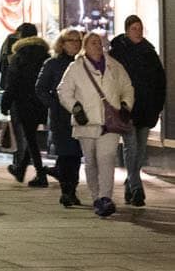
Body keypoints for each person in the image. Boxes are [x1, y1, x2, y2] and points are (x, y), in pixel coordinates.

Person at [57, 30, 135, 218]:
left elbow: (127, 87)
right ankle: (95, 196)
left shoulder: (114, 66)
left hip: (110, 124)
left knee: (107, 158)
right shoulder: (75, 68)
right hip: (86, 123)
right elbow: (64, 91)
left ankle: (105, 198)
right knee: (91, 161)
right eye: (92, 43)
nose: (97, 46)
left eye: (99, 42)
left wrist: (125, 105)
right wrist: (76, 108)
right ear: (85, 46)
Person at [109, 14, 165, 208]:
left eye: (140, 28)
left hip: (147, 108)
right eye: (134, 28)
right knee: (131, 148)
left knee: (140, 151)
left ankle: (130, 183)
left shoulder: (149, 52)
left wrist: (158, 106)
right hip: (127, 108)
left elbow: (160, 81)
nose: (138, 32)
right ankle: (136, 188)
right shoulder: (118, 52)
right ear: (127, 30)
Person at [36, 28, 85, 208]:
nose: (75, 44)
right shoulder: (52, 64)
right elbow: (40, 88)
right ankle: (66, 191)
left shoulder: (83, 63)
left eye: (78, 40)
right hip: (61, 116)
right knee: (65, 153)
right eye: (71, 40)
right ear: (62, 43)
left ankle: (72, 189)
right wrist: (54, 104)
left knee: (77, 154)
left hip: (81, 115)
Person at [0, 27, 51, 187]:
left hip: (23, 102)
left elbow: (12, 82)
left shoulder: (19, 56)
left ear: (21, 36)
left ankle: (40, 174)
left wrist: (5, 103)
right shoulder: (46, 56)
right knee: (32, 137)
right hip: (41, 102)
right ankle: (21, 169)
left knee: (30, 137)